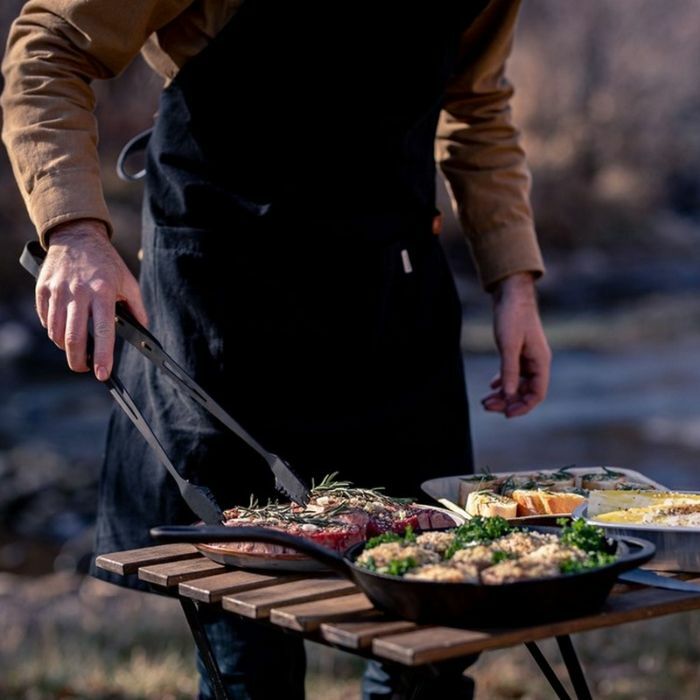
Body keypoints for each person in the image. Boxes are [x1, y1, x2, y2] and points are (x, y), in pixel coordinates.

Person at [2, 0, 551, 697]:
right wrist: (75, 231)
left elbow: (476, 104)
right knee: (248, 661)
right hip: (227, 312)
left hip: (394, 310)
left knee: (438, 642)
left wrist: (514, 283)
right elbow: (49, 43)